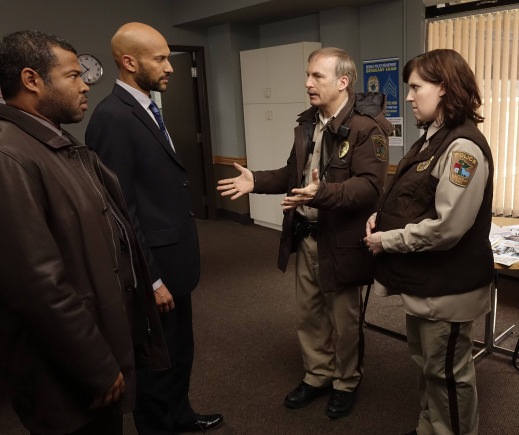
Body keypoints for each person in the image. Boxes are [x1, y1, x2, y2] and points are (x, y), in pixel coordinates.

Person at [0, 30, 169, 434]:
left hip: (95, 351)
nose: (85, 86)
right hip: (70, 373)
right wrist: (97, 366)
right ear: (31, 80)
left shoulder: (55, 143)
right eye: (74, 76)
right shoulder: (11, 157)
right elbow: (39, 286)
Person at [218, 47, 393, 419]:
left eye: (317, 76)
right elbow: (291, 174)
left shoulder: (366, 128)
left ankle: (346, 381)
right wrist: (256, 181)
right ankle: (318, 376)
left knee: (343, 321)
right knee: (309, 314)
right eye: (308, 75)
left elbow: (370, 188)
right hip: (307, 235)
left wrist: (323, 193)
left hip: (342, 241)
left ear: (342, 82)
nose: (307, 83)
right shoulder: (309, 123)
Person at [85, 23, 223, 433]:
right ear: (129, 62)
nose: (171, 67)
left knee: (180, 351)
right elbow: (118, 208)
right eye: (160, 59)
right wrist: (152, 277)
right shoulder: (112, 117)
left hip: (174, 261)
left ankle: (180, 416)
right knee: (157, 364)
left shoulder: (147, 108)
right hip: (154, 270)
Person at [364, 49, 494, 435]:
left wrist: (388, 240)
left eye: (416, 87)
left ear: (443, 89)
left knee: (448, 375)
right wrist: (381, 217)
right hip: (426, 283)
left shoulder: (463, 149)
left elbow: (447, 227)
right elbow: (415, 198)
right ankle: (430, 428)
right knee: (428, 366)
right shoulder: (432, 139)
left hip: (448, 290)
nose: (408, 97)